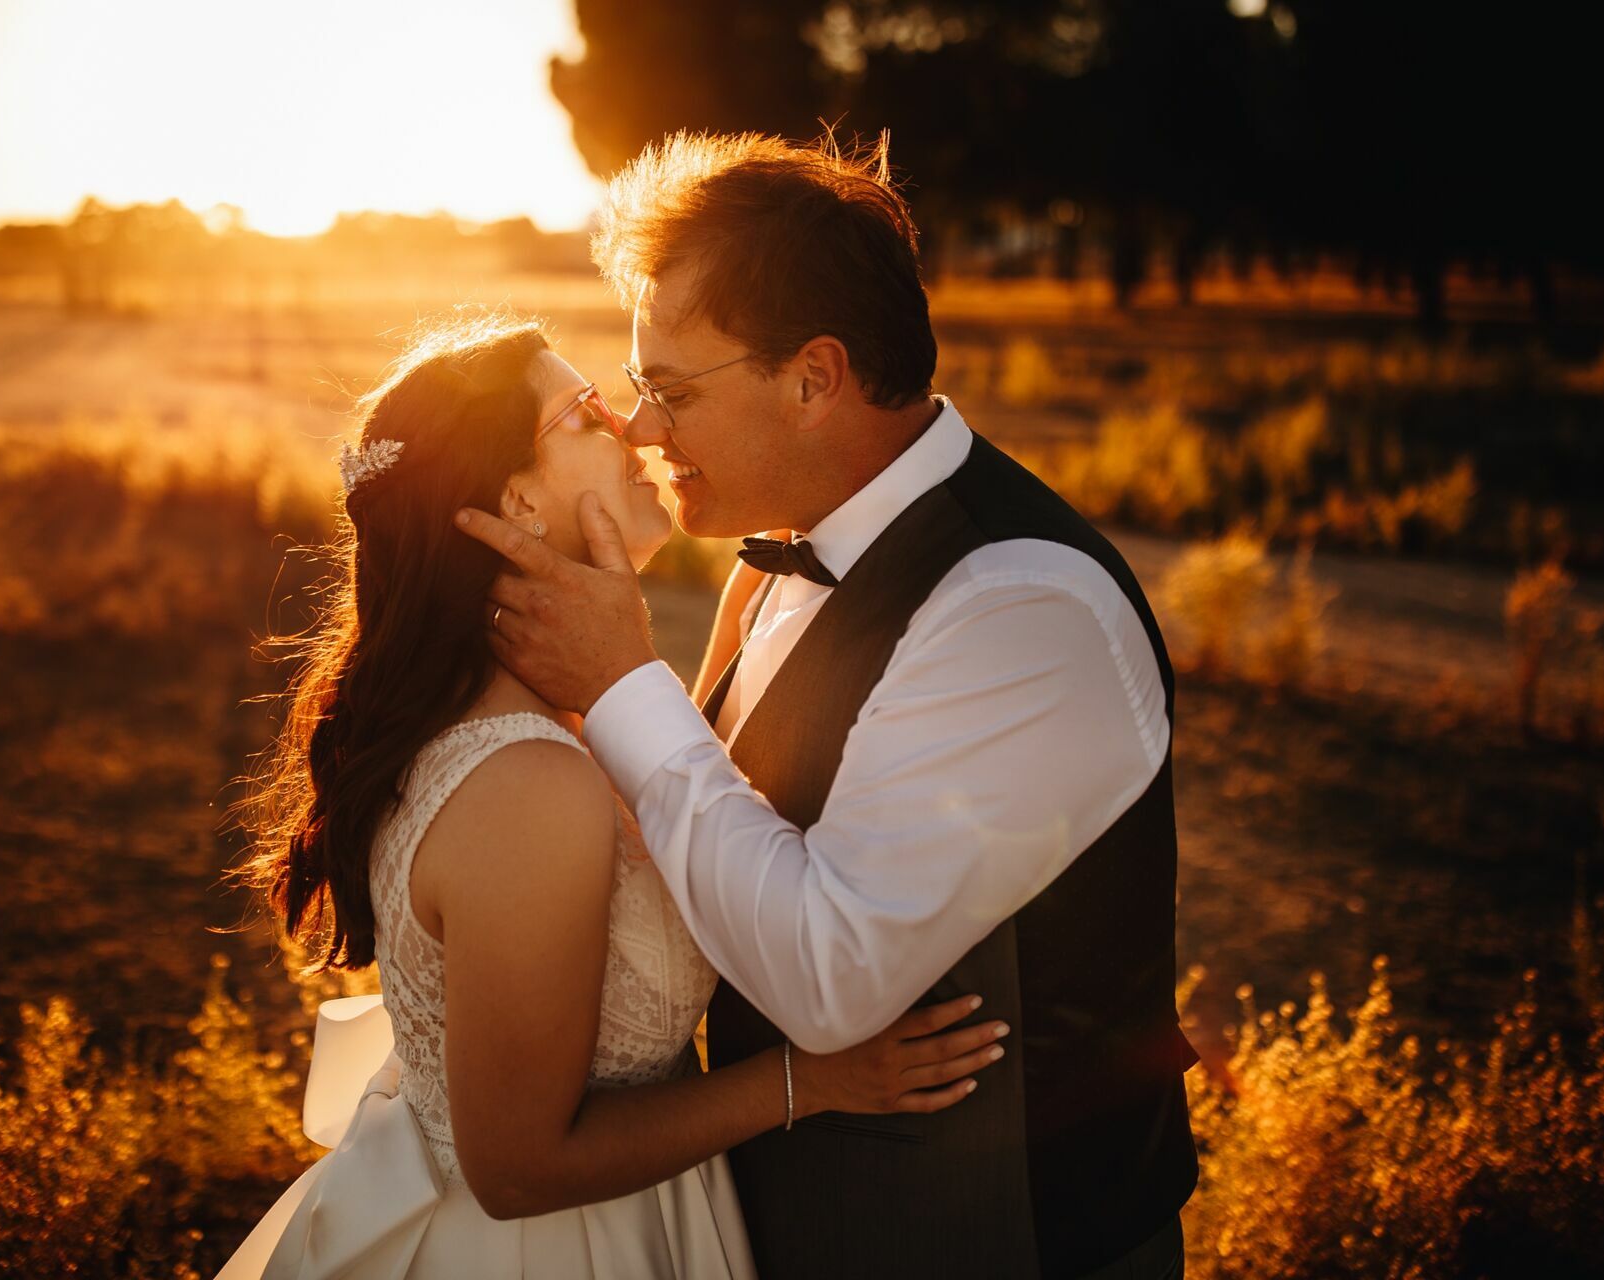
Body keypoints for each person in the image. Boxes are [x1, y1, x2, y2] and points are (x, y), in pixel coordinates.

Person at [455, 132, 1201, 1279]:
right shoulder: (777, 559)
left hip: (1007, 1243)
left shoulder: (1020, 602)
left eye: (671, 390)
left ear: (814, 378)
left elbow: (829, 978)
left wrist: (621, 686)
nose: (642, 429)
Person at [216, 313, 1005, 1280]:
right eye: (587, 413)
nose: (633, 429)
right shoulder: (525, 785)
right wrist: (813, 1082)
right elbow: (519, 1167)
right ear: (518, 499)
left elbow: (680, 796)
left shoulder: (546, 706)